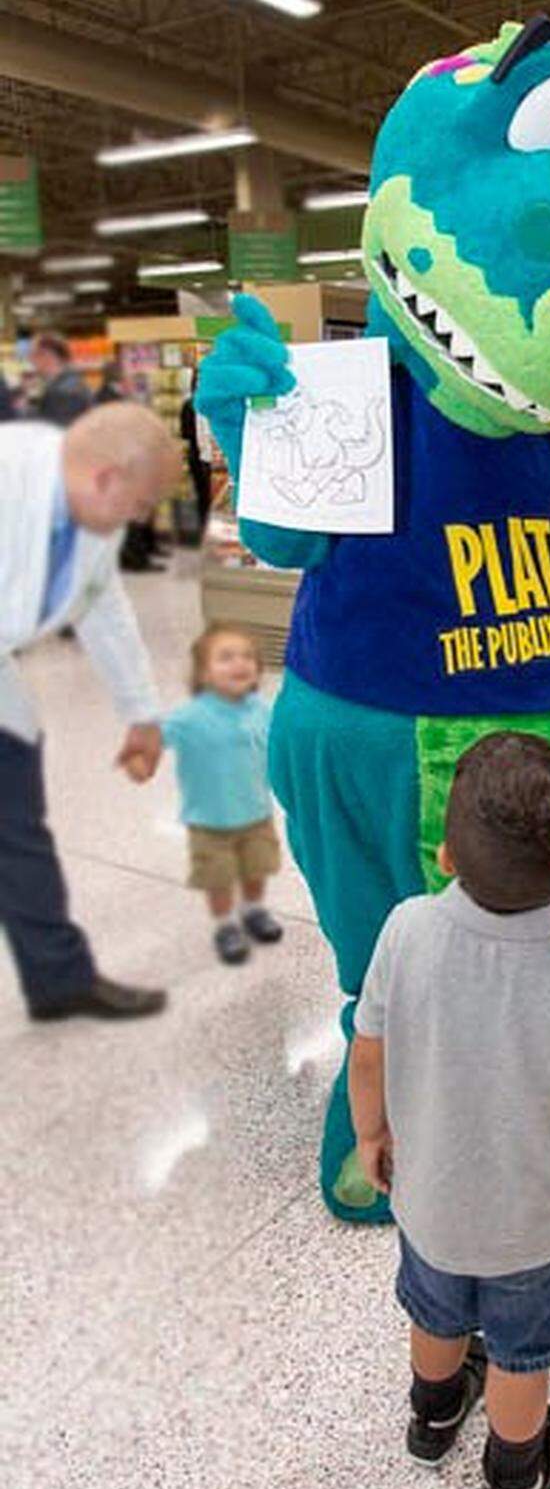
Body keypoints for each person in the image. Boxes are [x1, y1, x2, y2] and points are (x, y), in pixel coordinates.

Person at [348, 731, 550, 1489]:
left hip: (430, 1199)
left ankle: (434, 1412)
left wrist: (371, 1135)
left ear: (446, 852)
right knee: (520, 1353)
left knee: (437, 1312)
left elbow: (368, 1051)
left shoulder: (405, 929)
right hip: (534, 1221)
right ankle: (516, 1472)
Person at [0, 403, 180, 1020]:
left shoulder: (90, 520)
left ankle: (57, 979)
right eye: (138, 507)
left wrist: (142, 714)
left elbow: (103, 607)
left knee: (17, 829)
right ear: (106, 479)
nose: (139, 519)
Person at [144, 625, 283, 966]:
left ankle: (253, 910)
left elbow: (278, 745)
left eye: (247, 657)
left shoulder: (261, 710)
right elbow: (154, 740)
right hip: (209, 821)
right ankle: (225, 925)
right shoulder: (189, 717)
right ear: (203, 673)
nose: (240, 664)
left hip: (256, 813)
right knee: (218, 878)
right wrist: (140, 755)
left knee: (257, 869)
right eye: (226, 658)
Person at [30, 332, 92, 428]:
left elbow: (56, 432)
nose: (31, 360)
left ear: (47, 356)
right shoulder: (73, 381)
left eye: (34, 355)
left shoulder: (61, 392)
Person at [182, 372, 213, 544]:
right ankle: (202, 532)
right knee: (202, 496)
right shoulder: (188, 405)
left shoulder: (213, 404)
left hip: (213, 458)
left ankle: (211, 531)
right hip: (198, 457)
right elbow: (185, 433)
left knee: (213, 496)